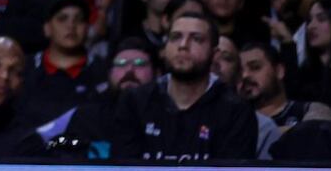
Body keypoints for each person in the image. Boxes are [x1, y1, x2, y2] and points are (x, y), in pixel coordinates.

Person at [105, 13, 257, 160]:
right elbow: (123, 170)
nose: (183, 45)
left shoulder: (236, 111)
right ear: (165, 49)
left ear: (214, 53)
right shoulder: (134, 102)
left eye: (196, 39)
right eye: (175, 37)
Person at [18, 0, 109, 131]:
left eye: (79, 20)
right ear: (47, 28)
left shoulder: (103, 71)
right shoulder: (24, 68)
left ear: (87, 28)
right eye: (62, 19)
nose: (71, 26)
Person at [237, 36, 329, 157]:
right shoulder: (234, 121)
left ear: (279, 71)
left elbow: (317, 136)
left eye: (255, 67)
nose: (245, 75)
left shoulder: (310, 110)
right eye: (239, 72)